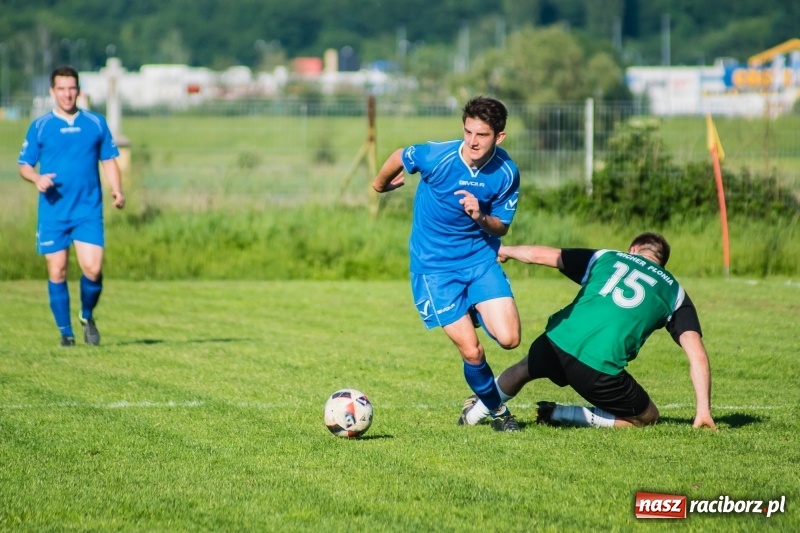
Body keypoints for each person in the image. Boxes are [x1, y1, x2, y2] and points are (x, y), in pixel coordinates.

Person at [371, 96, 523, 431]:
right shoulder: (437, 156)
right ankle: (498, 413)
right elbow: (400, 155)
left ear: (499, 137)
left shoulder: (506, 172)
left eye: (482, 135)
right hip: (435, 269)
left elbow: (502, 225)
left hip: (479, 261)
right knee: (472, 351)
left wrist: (480, 215)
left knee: (511, 339)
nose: (472, 141)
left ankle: (470, 310)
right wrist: (380, 185)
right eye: (468, 131)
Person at [460, 232, 717, 429]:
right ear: (663, 264)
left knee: (523, 369)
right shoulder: (675, 292)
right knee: (648, 417)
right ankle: (562, 414)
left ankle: (473, 415)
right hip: (599, 368)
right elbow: (698, 356)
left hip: (556, 340)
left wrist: (505, 250)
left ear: (634, 249)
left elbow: (542, 255)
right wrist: (703, 412)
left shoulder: (608, 257)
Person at [18, 66, 125, 347]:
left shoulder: (96, 123)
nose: (67, 94)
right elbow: (24, 165)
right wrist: (36, 178)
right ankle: (66, 333)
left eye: (72, 88)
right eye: (61, 89)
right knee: (58, 270)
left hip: (88, 210)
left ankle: (86, 316)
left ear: (79, 90)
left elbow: (109, 159)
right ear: (52, 92)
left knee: (92, 268)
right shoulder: (41, 126)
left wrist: (116, 190)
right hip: (54, 212)